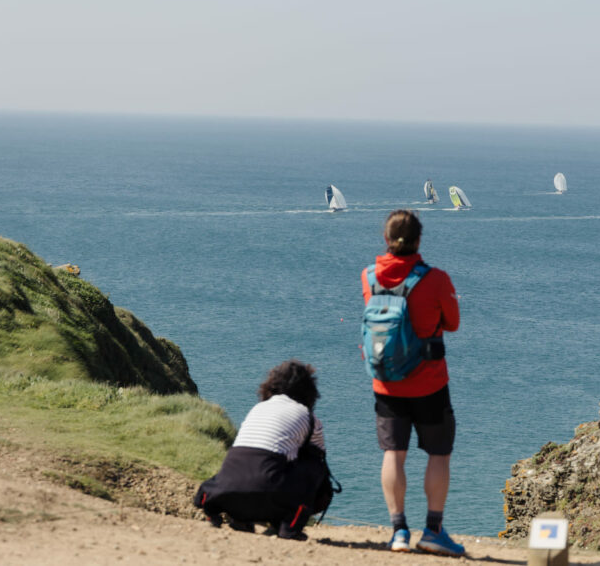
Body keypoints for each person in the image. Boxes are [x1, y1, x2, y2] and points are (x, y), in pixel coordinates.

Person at [362, 209, 463, 556]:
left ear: (387, 240)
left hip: (386, 383)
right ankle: (433, 531)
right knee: (439, 453)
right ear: (419, 239)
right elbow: (452, 323)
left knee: (394, 453)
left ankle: (398, 531)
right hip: (430, 382)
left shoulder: (368, 276)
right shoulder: (436, 279)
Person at [194, 360, 329, 540]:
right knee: (314, 466)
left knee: (251, 463)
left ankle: (239, 517)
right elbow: (319, 458)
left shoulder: (258, 408)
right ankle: (289, 527)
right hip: (269, 493)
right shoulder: (308, 417)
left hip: (228, 493)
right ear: (309, 391)